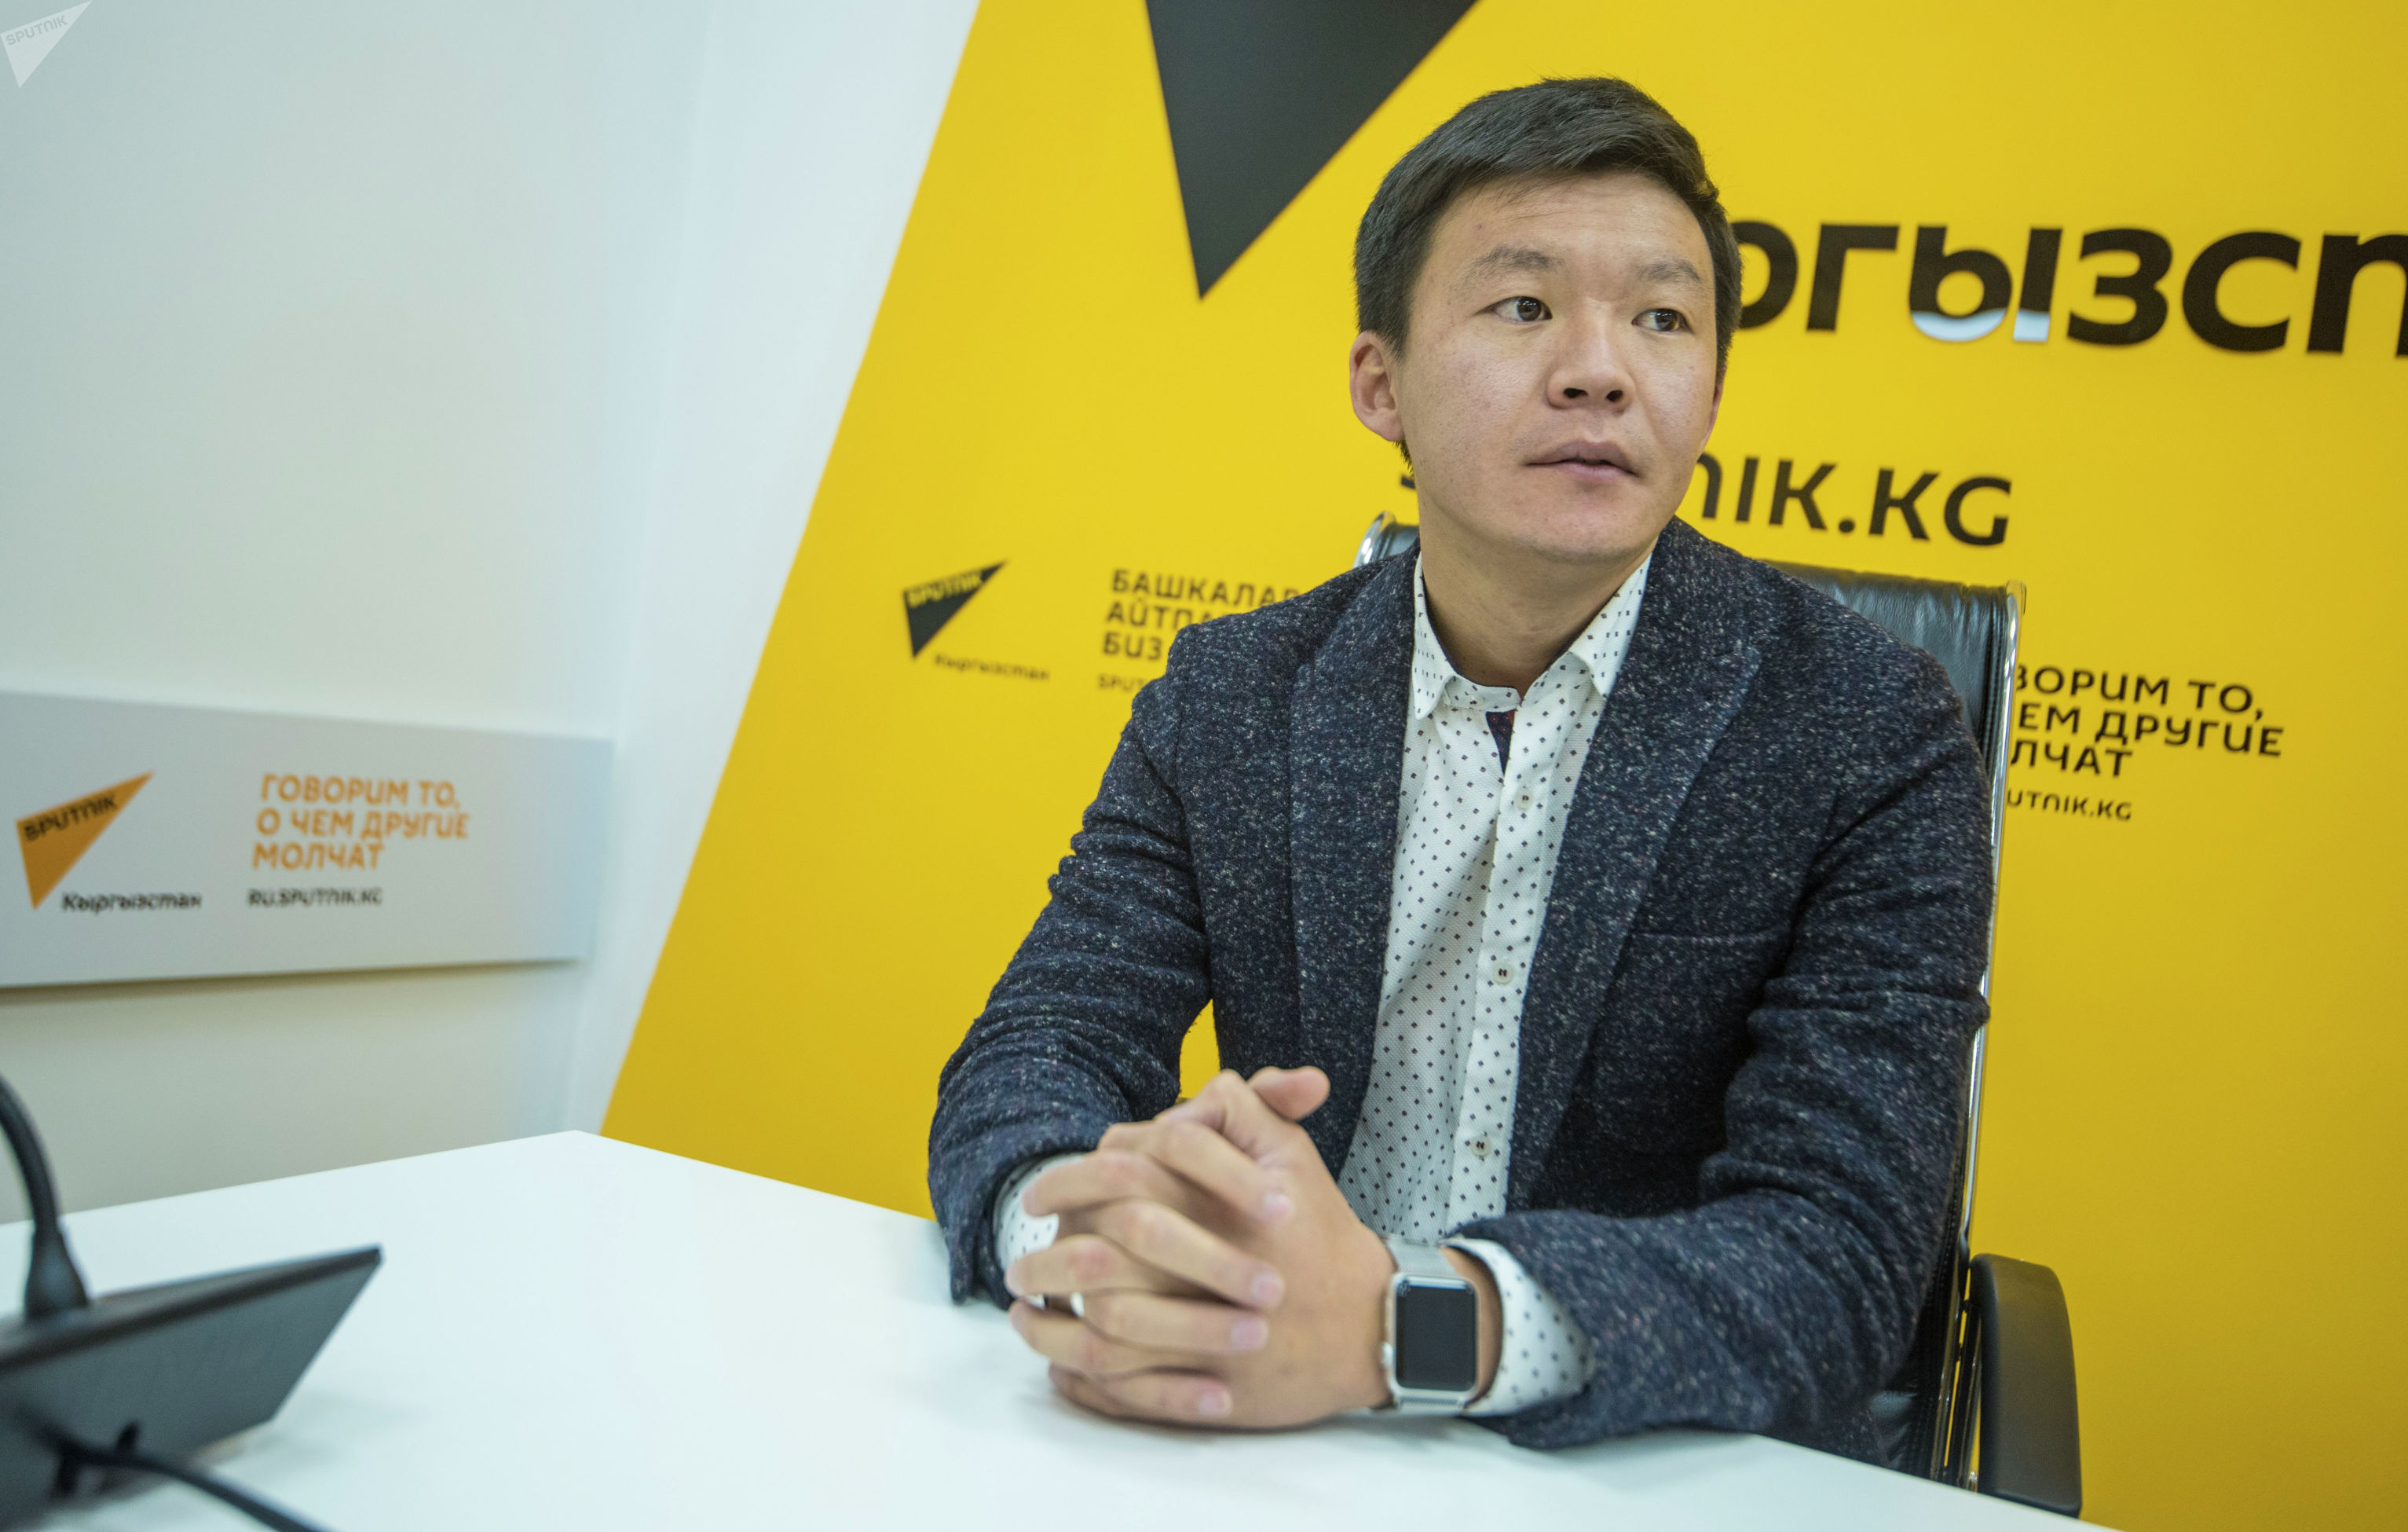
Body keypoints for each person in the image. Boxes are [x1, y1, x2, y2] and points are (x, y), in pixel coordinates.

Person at [927, 75, 1989, 1460]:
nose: (1599, 369)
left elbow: (1839, 1251)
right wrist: (1090, 1240)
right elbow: (1040, 1048)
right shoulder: (1232, 695)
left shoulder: (1866, 726)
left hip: (1641, 1454)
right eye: (1524, 306)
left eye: (1662, 319)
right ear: (1381, 385)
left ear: (1711, 391)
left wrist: (1401, 1327)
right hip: (1260, 1422)